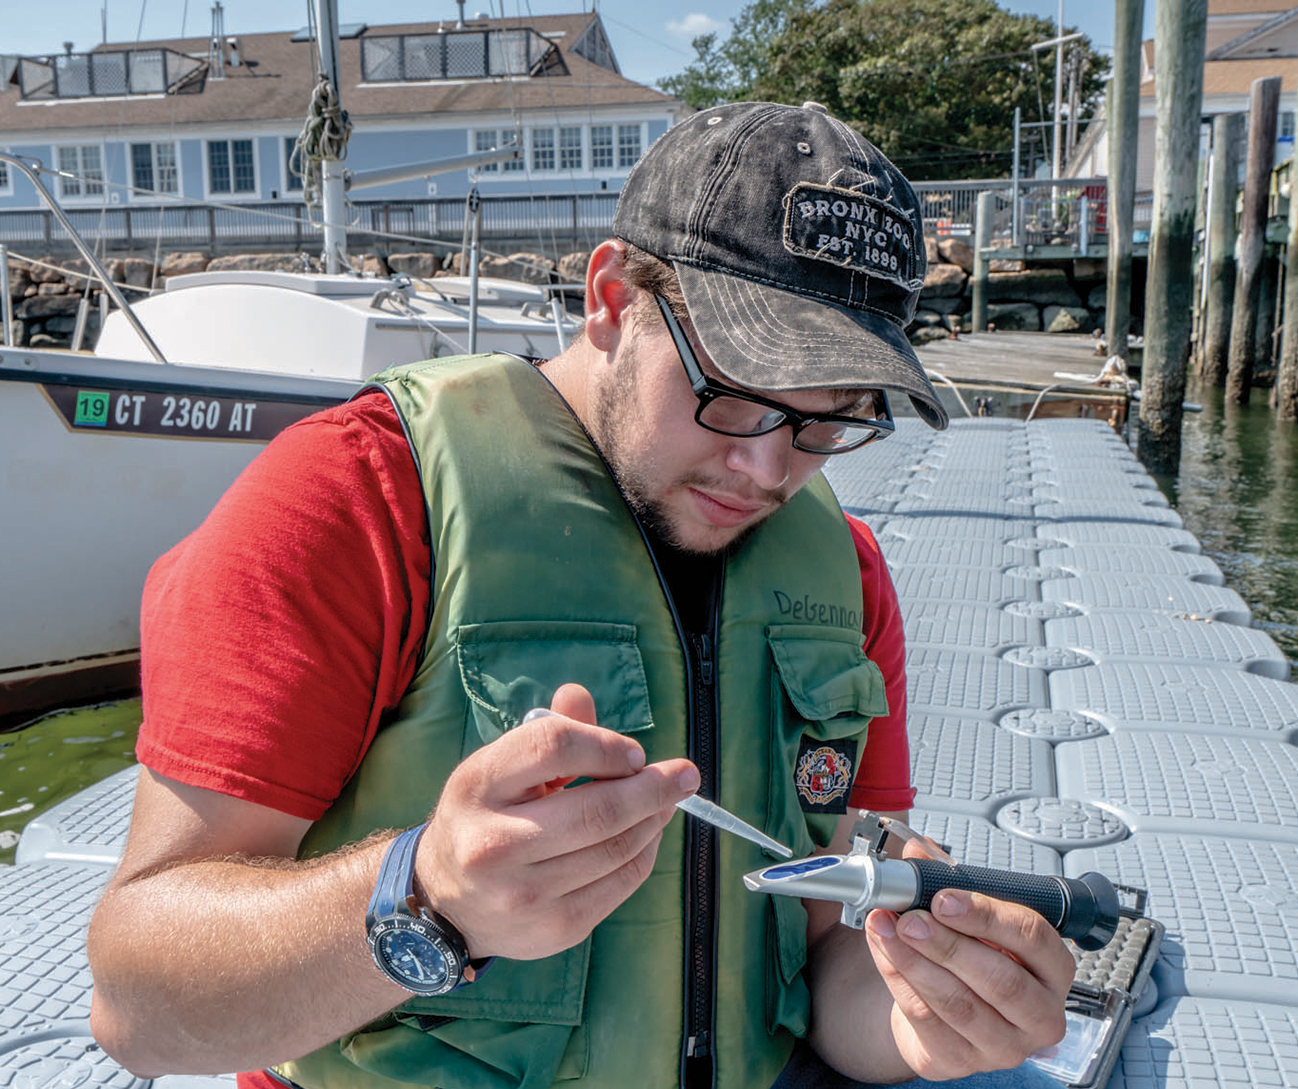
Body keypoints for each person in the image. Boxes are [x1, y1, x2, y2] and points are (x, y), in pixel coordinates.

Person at [87, 101, 1074, 1089]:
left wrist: (926, 1021)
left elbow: (826, 957)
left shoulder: (844, 569)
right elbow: (143, 1009)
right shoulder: (357, 501)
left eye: (833, 421)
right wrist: (425, 901)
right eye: (730, 386)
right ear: (610, 298)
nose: (765, 468)